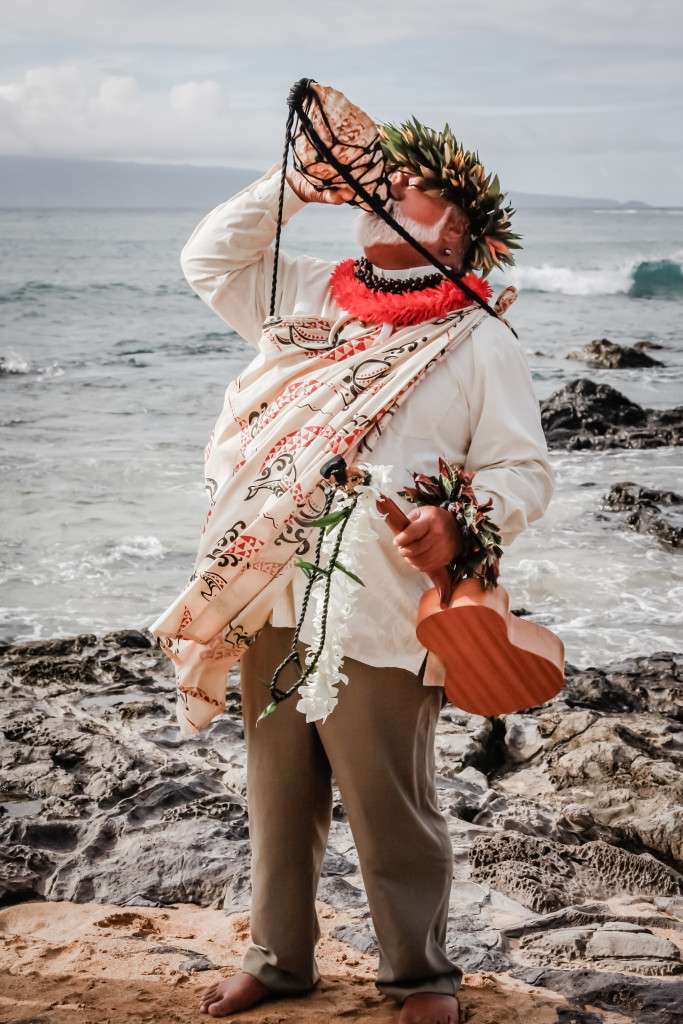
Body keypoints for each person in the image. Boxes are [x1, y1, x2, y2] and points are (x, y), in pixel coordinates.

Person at [150, 111, 555, 1024]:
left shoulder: (478, 339)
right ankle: (278, 959)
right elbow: (208, 261)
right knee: (278, 791)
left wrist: (458, 525)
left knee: (391, 804)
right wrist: (295, 183)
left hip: (383, 601)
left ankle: (418, 977)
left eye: (414, 186)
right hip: (274, 583)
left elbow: (523, 470)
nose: (388, 188)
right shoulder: (306, 295)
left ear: (453, 231)